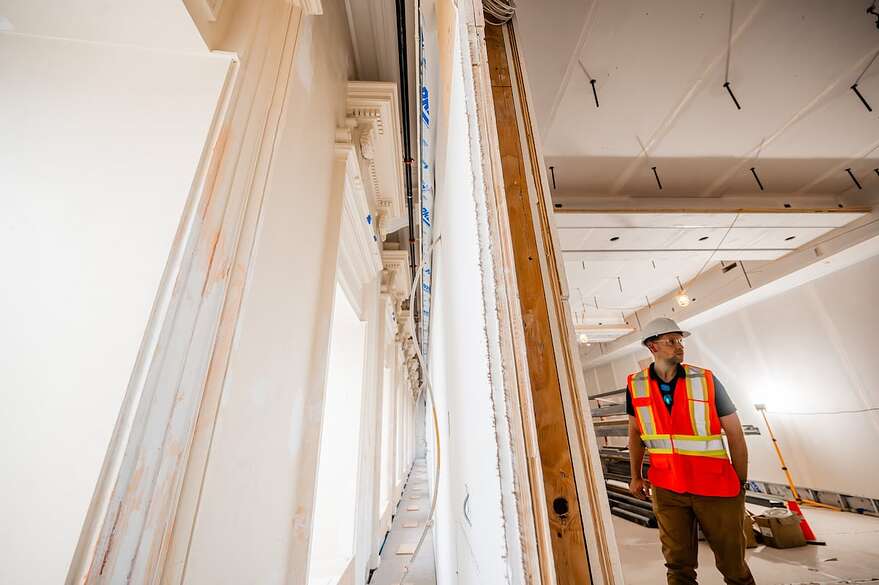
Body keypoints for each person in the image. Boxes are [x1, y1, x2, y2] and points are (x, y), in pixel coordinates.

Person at [626, 317, 755, 585]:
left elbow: (735, 434)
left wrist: (740, 482)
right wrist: (636, 475)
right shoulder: (636, 384)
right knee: (678, 567)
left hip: (716, 487)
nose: (679, 346)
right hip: (667, 488)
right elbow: (635, 433)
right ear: (652, 347)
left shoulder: (706, 379)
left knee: (733, 566)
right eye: (671, 341)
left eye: (680, 341)